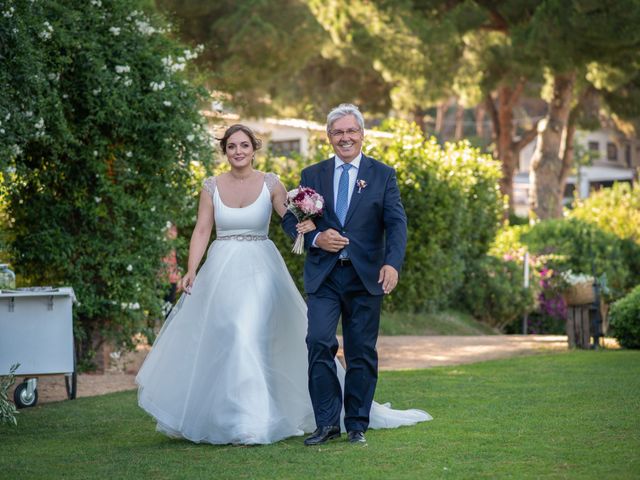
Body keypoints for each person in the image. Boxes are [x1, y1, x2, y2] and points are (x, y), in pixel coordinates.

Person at [136, 123, 430, 445]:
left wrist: (310, 227)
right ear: (225, 151)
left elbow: (289, 217)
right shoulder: (211, 186)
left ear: (254, 148)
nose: (238, 151)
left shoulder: (272, 182)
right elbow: (202, 230)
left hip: (259, 270)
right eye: (232, 146)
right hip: (221, 270)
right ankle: (232, 416)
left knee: (243, 332)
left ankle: (254, 421)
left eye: (244, 146)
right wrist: (192, 269)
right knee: (230, 336)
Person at [282, 103, 413, 445]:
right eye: (338, 132)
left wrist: (392, 263)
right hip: (324, 277)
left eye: (351, 131)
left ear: (362, 134)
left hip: (365, 275)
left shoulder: (383, 174)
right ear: (329, 137)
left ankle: (356, 423)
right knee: (318, 342)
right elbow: (288, 218)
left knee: (361, 352)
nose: (345, 138)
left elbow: (396, 223)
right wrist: (314, 237)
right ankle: (326, 423)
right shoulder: (312, 175)